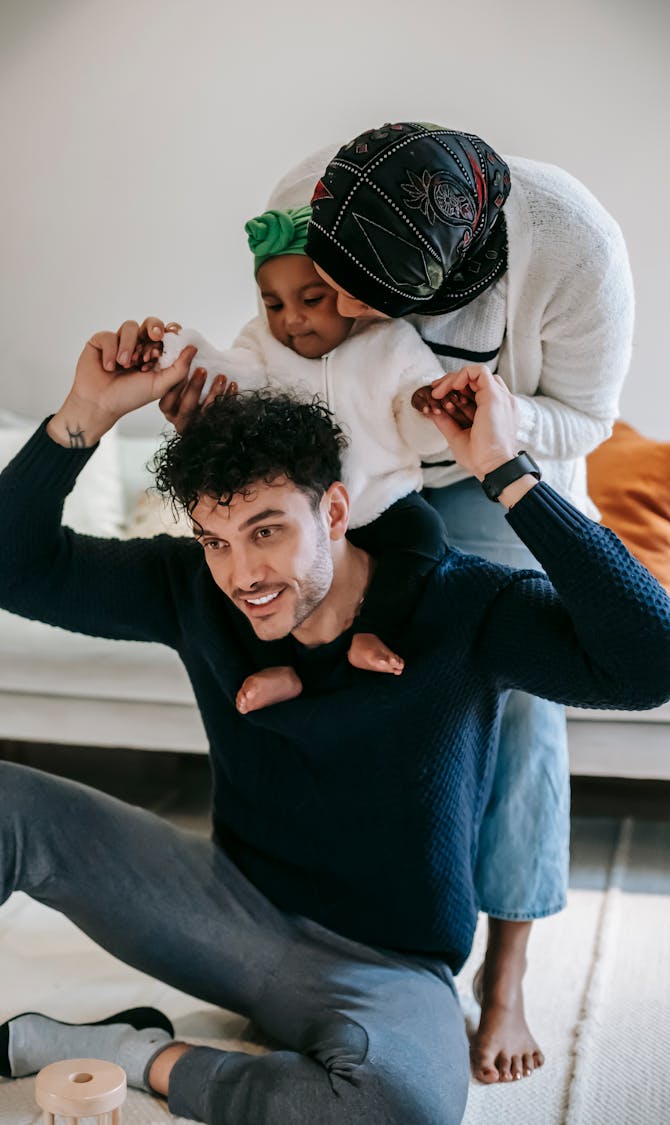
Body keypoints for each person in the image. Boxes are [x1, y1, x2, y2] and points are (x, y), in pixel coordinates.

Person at [0, 322, 668, 1125]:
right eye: (215, 540)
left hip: (391, 966)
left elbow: (649, 660)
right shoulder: (195, 588)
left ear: (336, 509)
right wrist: (83, 414)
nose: (243, 575)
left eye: (267, 530)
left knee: (404, 1104)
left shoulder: (466, 607)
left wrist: (505, 472)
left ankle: (138, 1055)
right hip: (227, 911)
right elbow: (0, 566)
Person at [254, 120, 635, 1082]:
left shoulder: (578, 250)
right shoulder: (316, 191)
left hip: (503, 463)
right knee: (354, 682)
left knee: (521, 708)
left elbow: (586, 418)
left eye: (357, 299)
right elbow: (286, 340)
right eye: (329, 282)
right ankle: (350, 942)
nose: (331, 305)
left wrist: (491, 423)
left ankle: (503, 979)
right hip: (363, 471)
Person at [155, 201, 469, 713]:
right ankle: (277, 666)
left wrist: (426, 406)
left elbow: (420, 423)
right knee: (247, 577)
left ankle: (371, 634)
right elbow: (228, 375)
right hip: (299, 515)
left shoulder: (388, 343)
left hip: (381, 502)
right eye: (273, 305)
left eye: (311, 299)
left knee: (423, 538)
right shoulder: (260, 344)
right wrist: (182, 351)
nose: (292, 319)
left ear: (348, 295)